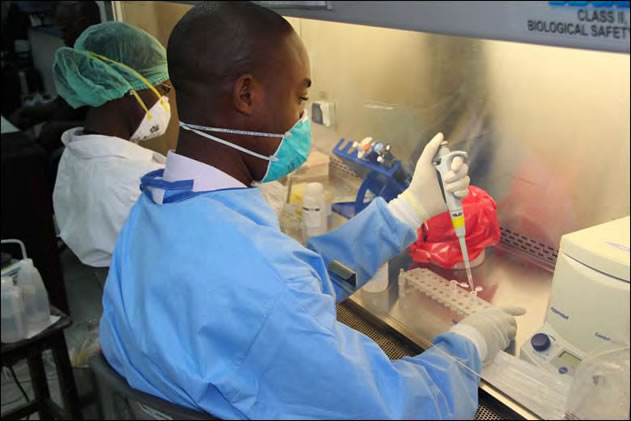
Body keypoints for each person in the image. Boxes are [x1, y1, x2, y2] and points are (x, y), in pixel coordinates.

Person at [99, 2, 524, 419]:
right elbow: (399, 409)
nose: (302, 116)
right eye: (299, 97)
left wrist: (408, 210)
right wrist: (468, 345)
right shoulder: (267, 285)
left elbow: (296, 279)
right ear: (246, 95)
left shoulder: (152, 212)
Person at [51, 21, 171, 269]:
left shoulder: (73, 155)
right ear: (127, 88)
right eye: (163, 89)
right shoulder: (132, 186)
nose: (164, 100)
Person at [9, 2, 101, 153]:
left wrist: (59, 128)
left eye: (65, 30)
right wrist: (29, 112)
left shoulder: (105, 67)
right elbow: (62, 104)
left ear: (83, 24)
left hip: (84, 148)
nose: (62, 37)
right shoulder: (76, 61)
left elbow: (107, 124)